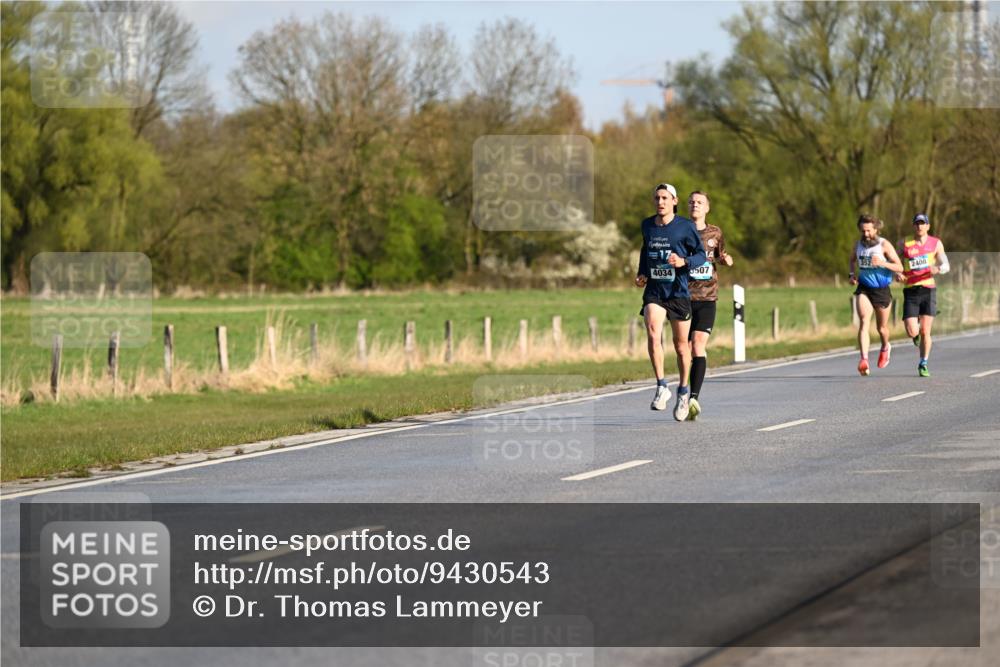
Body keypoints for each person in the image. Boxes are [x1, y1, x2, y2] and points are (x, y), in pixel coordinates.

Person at [635, 183, 707, 420]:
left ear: (674, 201)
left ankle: (683, 391)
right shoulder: (647, 225)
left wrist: (684, 262)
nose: (660, 202)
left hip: (678, 292)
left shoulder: (685, 226)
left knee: (681, 346)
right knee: (653, 332)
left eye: (665, 198)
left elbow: (701, 255)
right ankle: (661, 385)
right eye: (657, 198)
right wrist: (642, 272)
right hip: (655, 291)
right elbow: (645, 250)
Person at [684, 191, 733, 420]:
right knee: (684, 349)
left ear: (707, 208)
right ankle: (683, 390)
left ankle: (693, 397)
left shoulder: (715, 233)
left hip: (707, 298)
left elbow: (719, 255)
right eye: (692, 202)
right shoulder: (680, 230)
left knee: (697, 345)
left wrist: (725, 259)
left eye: (699, 202)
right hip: (682, 298)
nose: (695, 205)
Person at [849, 214, 903, 376]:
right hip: (864, 288)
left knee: (881, 328)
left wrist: (882, 263)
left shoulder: (884, 245)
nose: (866, 234)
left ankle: (885, 346)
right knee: (864, 321)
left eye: (869, 231)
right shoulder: (858, 245)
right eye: (863, 231)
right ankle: (864, 359)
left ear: (876, 229)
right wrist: (851, 275)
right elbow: (852, 260)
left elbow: (899, 267)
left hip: (881, 290)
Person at [898, 213, 950, 377]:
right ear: (913, 226)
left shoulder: (936, 243)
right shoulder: (904, 243)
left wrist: (938, 269)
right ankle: (915, 334)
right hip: (911, 290)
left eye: (922, 223)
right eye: (917, 223)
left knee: (925, 331)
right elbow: (894, 261)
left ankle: (923, 363)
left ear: (928, 226)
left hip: (928, 289)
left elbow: (946, 264)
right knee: (912, 331)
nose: (919, 226)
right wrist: (897, 273)